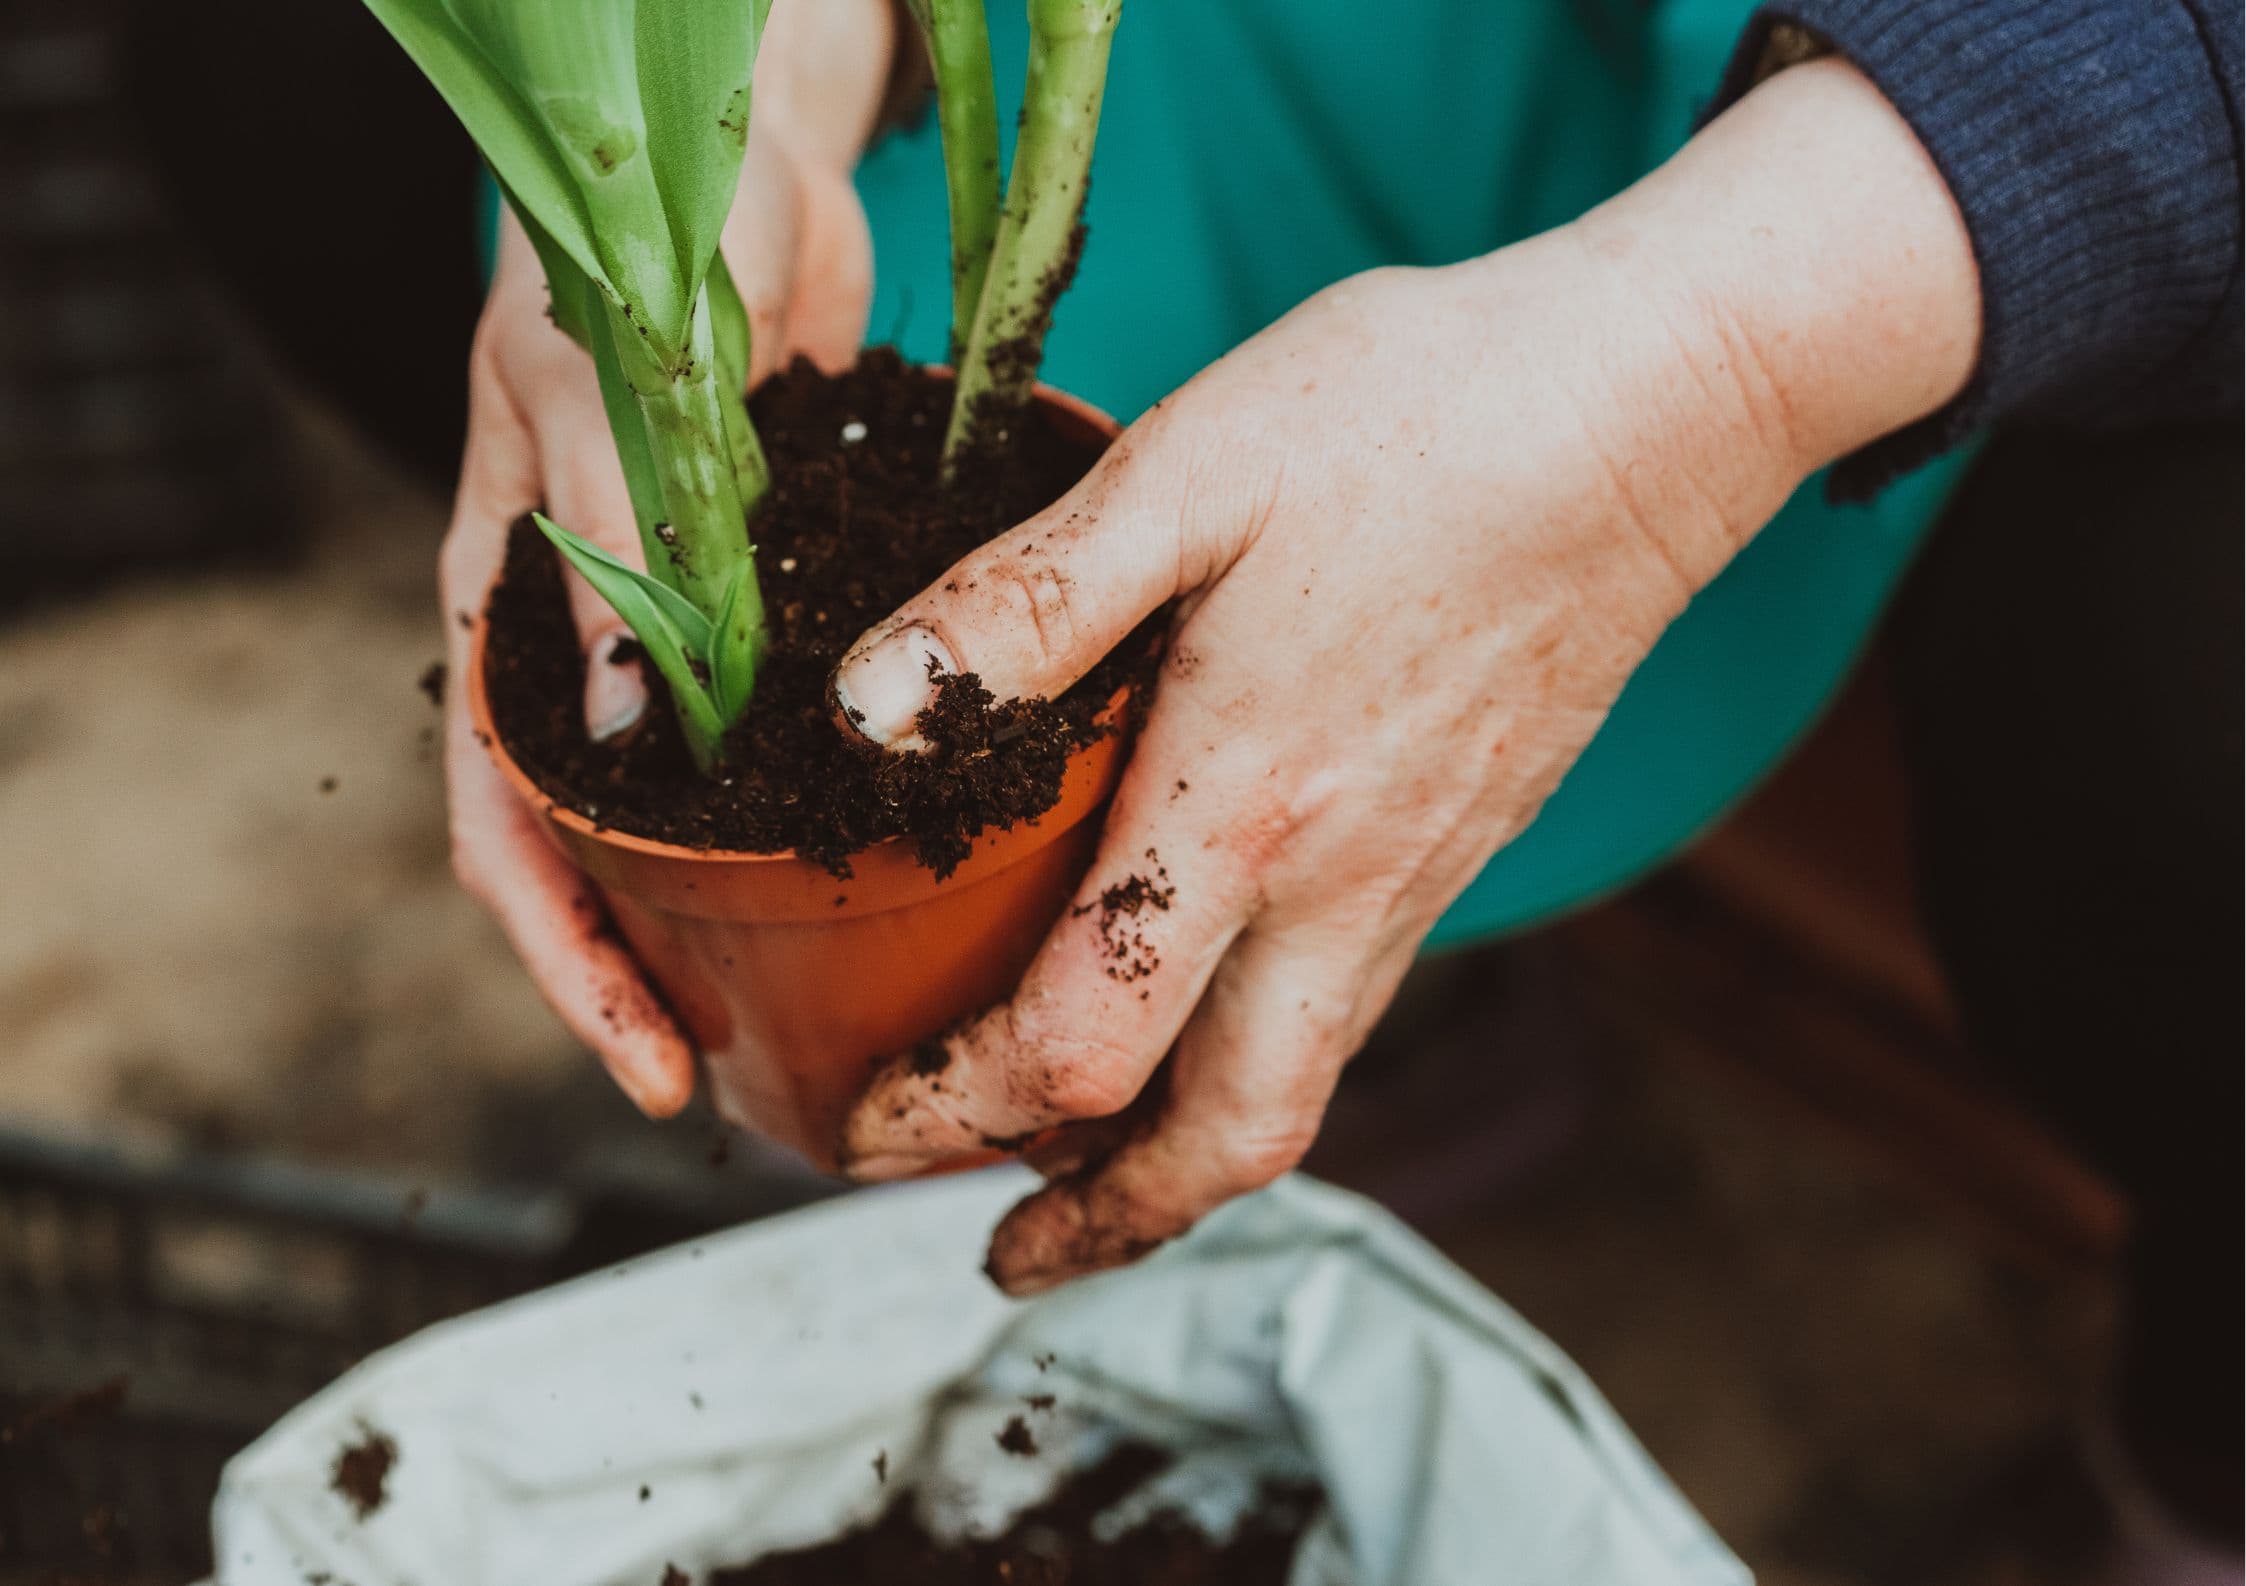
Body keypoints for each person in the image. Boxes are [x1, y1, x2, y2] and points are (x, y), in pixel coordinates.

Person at [136, 0, 2239, 1573]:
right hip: (1224, 67)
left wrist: (1711, 373)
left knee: (2194, 717)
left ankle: (2199, 1458)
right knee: (305, 58)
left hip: (1932, 169)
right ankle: (1218, 972)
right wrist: (731, 79)